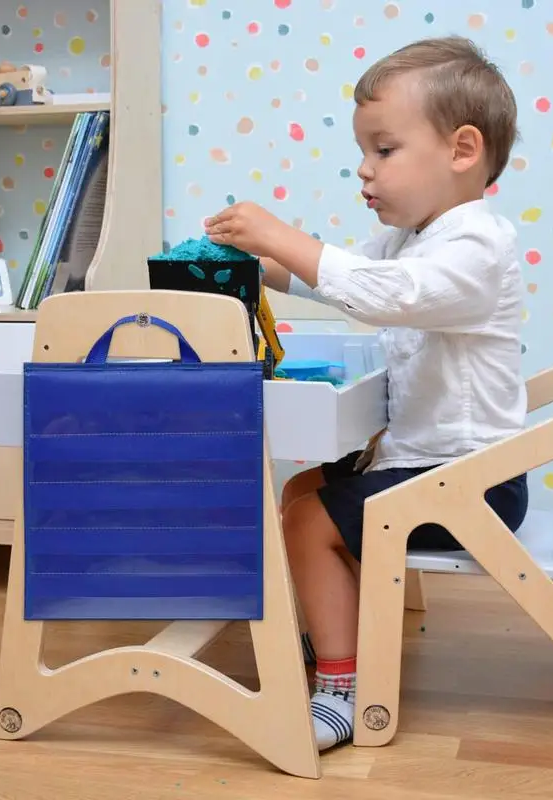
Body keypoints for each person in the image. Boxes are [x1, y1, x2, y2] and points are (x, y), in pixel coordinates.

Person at [204, 35, 529, 751]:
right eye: (365, 152)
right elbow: (353, 288)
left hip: (474, 485)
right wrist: (265, 267)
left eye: (384, 150)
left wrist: (284, 238)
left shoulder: (476, 244)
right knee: (299, 493)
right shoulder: (417, 237)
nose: (364, 170)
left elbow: (385, 296)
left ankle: (344, 689)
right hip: (434, 469)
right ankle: (335, 636)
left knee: (306, 522)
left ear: (462, 150)